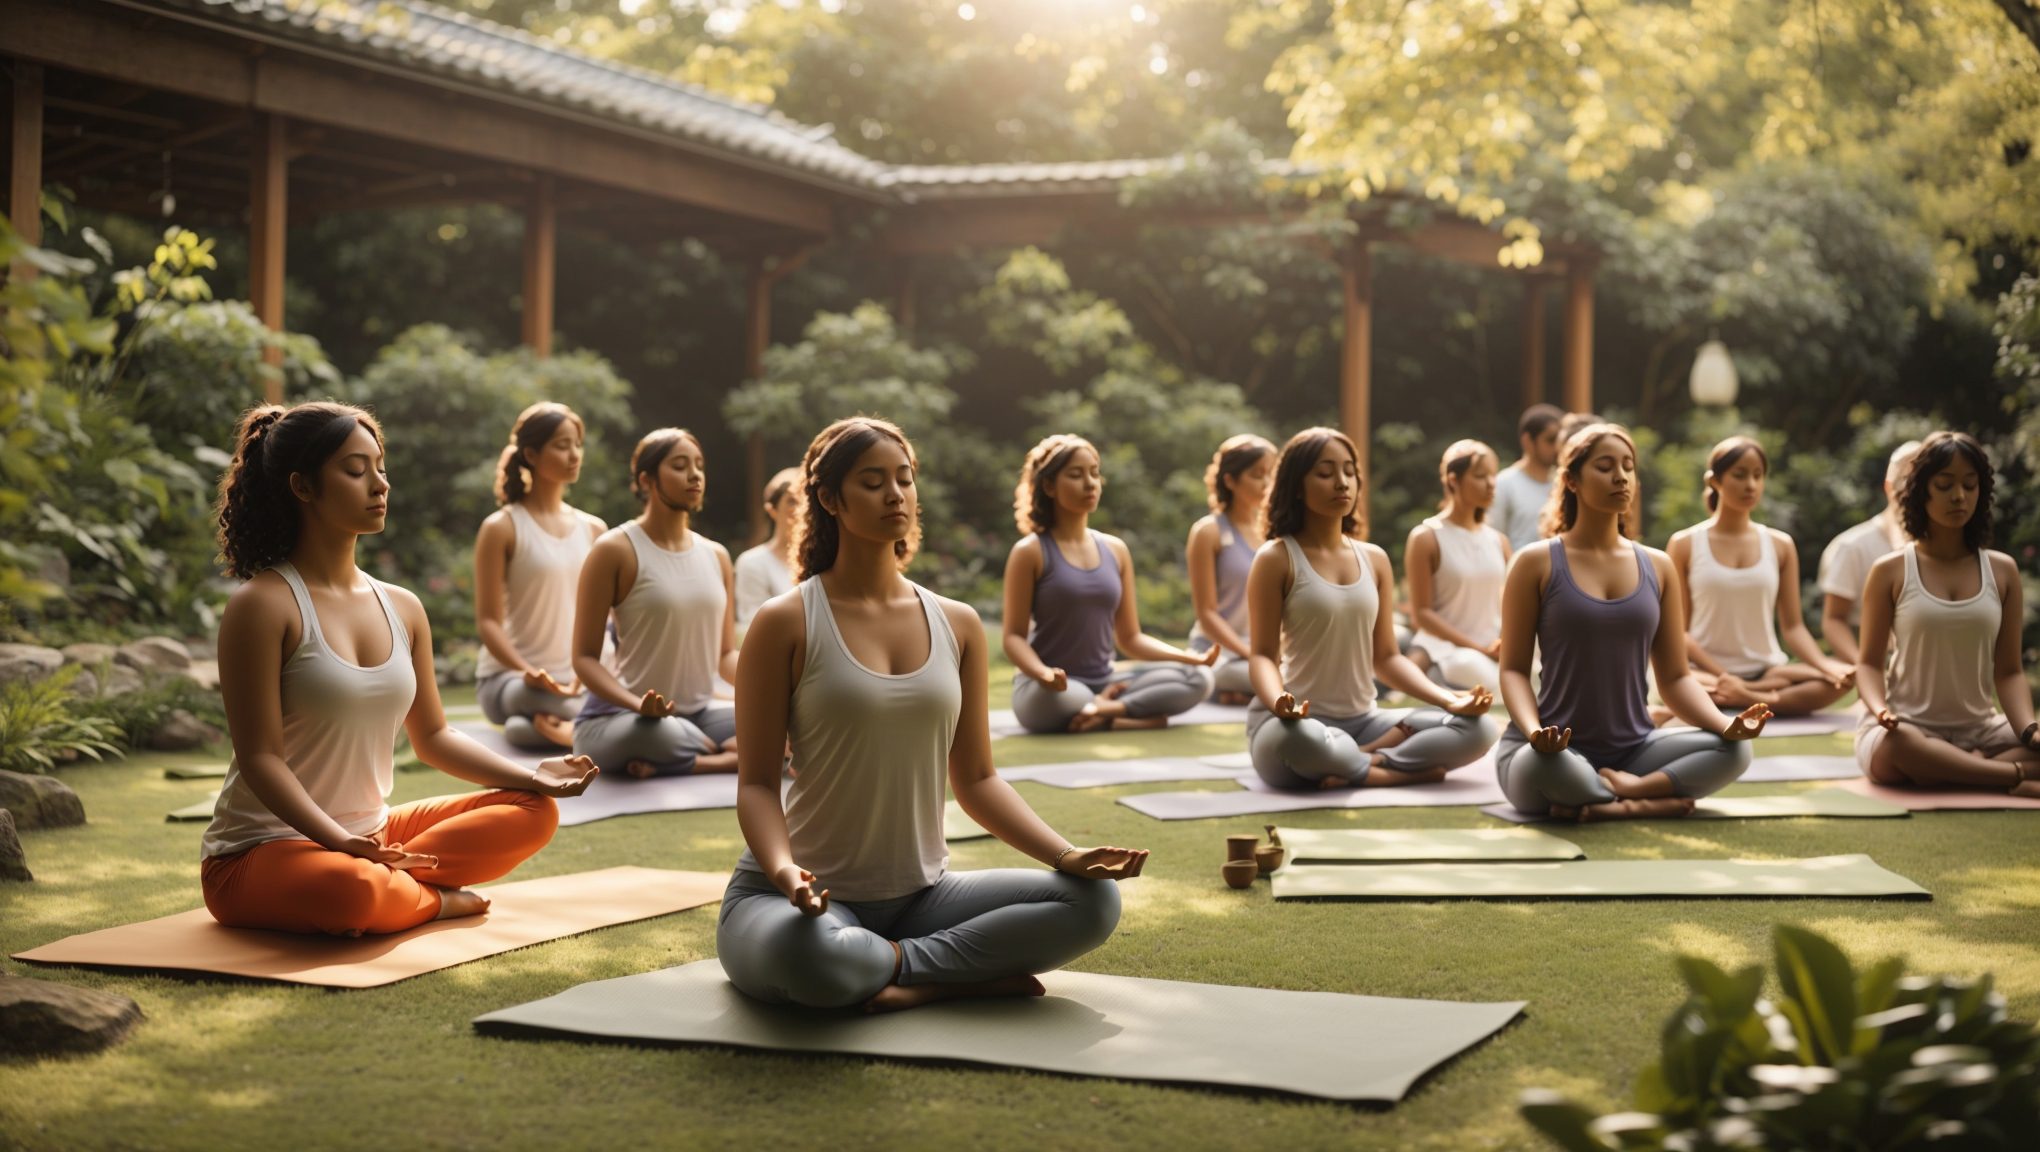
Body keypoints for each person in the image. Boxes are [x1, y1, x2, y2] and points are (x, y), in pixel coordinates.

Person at [720, 418, 1145, 1013]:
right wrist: (785, 870)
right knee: (811, 956)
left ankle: (897, 972)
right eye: (873, 482)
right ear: (830, 499)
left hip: (921, 899)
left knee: (1093, 902)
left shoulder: (957, 623)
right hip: (793, 899)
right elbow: (758, 785)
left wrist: (1065, 856)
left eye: (904, 479)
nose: (895, 494)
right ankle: (955, 974)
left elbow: (978, 780)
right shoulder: (785, 621)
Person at [205, 402, 596, 936]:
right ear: (303, 486)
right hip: (263, 849)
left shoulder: (403, 607)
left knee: (534, 811)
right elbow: (261, 759)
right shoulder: (262, 605)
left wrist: (533, 777)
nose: (380, 484)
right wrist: (339, 842)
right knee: (353, 890)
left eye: (380, 467)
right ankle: (431, 900)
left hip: (375, 834)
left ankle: (395, 888)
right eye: (355, 470)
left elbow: (433, 737)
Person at [1495, 424, 1770, 820]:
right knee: (1547, 767)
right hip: (1549, 752)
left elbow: (1676, 678)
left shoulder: (1658, 566)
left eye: (1628, 466)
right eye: (1605, 466)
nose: (1621, 477)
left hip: (1634, 749)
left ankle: (1629, 798)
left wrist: (1725, 725)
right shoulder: (1534, 563)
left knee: (1735, 751)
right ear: (1571, 480)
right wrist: (1535, 733)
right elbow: (1513, 670)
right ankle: (1651, 800)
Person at [1245, 428, 1498, 789]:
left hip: (1365, 721)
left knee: (1479, 728)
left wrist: (1449, 700)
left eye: (1349, 471)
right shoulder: (1276, 558)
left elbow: (1388, 658)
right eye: (1325, 472)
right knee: (1301, 741)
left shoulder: (1374, 559)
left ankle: (1364, 761)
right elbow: (1262, 656)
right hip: (1294, 724)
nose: (1341, 482)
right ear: (1296, 485)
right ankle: (1388, 770)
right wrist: (1278, 703)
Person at [1854, 431, 2040, 794]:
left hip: (1980, 731)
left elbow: (2010, 671)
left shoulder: (2003, 571)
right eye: (1944, 485)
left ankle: (1958, 768)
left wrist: (2029, 730)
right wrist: (1880, 711)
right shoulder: (1890, 570)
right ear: (1921, 491)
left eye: (1970, 485)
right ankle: (2011, 776)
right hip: (1905, 729)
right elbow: (1868, 664)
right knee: (1902, 745)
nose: (1959, 496)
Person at [1002, 434, 1219, 733]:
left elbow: (1130, 638)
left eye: (1094, 473)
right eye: (1076, 475)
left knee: (1197, 679)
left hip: (1107, 681)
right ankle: (1124, 714)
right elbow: (1013, 638)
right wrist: (1044, 674)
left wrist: (1189, 658)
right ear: (1049, 486)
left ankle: (1107, 713)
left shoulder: (1116, 550)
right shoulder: (1030, 552)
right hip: (1051, 689)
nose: (1090, 483)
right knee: (1056, 699)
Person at [570, 428, 740, 778]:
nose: (694, 475)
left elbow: (725, 656)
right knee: (658, 734)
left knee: (786, 723)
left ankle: (698, 760)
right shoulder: (614, 550)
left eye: (699, 465)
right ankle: (725, 754)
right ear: (646, 480)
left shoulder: (717, 556)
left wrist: (775, 691)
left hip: (699, 714)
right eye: (679, 466)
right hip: (622, 718)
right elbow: (584, 658)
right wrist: (638, 705)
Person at [1667, 436, 1854, 717]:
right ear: (1715, 481)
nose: (1751, 485)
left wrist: (1827, 667)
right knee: (1675, 682)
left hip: (1768, 672)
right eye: (1740, 475)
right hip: (1706, 673)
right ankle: (1757, 698)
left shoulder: (1781, 545)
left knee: (1839, 680)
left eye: (1758, 475)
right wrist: (1725, 677)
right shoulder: (1684, 544)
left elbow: (1793, 627)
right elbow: (1679, 632)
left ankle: (1745, 697)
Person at [472, 402, 605, 750]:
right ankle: (592, 727)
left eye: (577, 445)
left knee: (523, 731)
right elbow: (488, 623)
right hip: (510, 680)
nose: (574, 455)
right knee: (534, 697)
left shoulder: (594, 530)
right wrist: (526, 671)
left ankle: (555, 731)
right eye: (562, 445)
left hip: (574, 681)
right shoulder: (501, 528)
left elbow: (604, 619)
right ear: (531, 454)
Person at [1406, 439, 1511, 691]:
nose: (1491, 483)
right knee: (1474, 669)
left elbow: (1513, 604)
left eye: (1493, 475)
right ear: (1453, 480)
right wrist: (1479, 649)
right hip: (1448, 651)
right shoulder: (1426, 537)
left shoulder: (1499, 541)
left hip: (1494, 649)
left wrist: (1503, 642)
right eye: (1480, 476)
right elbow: (1422, 614)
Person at [1185, 434, 1276, 704]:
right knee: (1278, 679)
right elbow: (1207, 614)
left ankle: (1239, 696)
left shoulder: (1274, 535)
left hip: (1262, 652)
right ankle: (1230, 691)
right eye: (1257, 475)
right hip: (1218, 653)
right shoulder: (1208, 532)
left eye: (1271, 474)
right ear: (1230, 480)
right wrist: (1251, 654)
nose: (1267, 483)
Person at [1819, 440, 1922, 665]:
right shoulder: (1851, 546)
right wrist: (1866, 668)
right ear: (1889, 486)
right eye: (1907, 480)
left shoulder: (1946, 550)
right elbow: (1834, 619)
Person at [735, 466, 801, 631]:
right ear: (772, 510)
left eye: (806, 498)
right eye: (792, 501)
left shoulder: (826, 561)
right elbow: (753, 626)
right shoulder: (752, 563)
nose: (801, 507)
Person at [1490, 404, 1563, 550]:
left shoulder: (1563, 483)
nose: (1556, 447)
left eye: (1559, 440)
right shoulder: (1504, 484)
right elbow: (1494, 540)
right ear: (1528, 441)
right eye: (1550, 440)